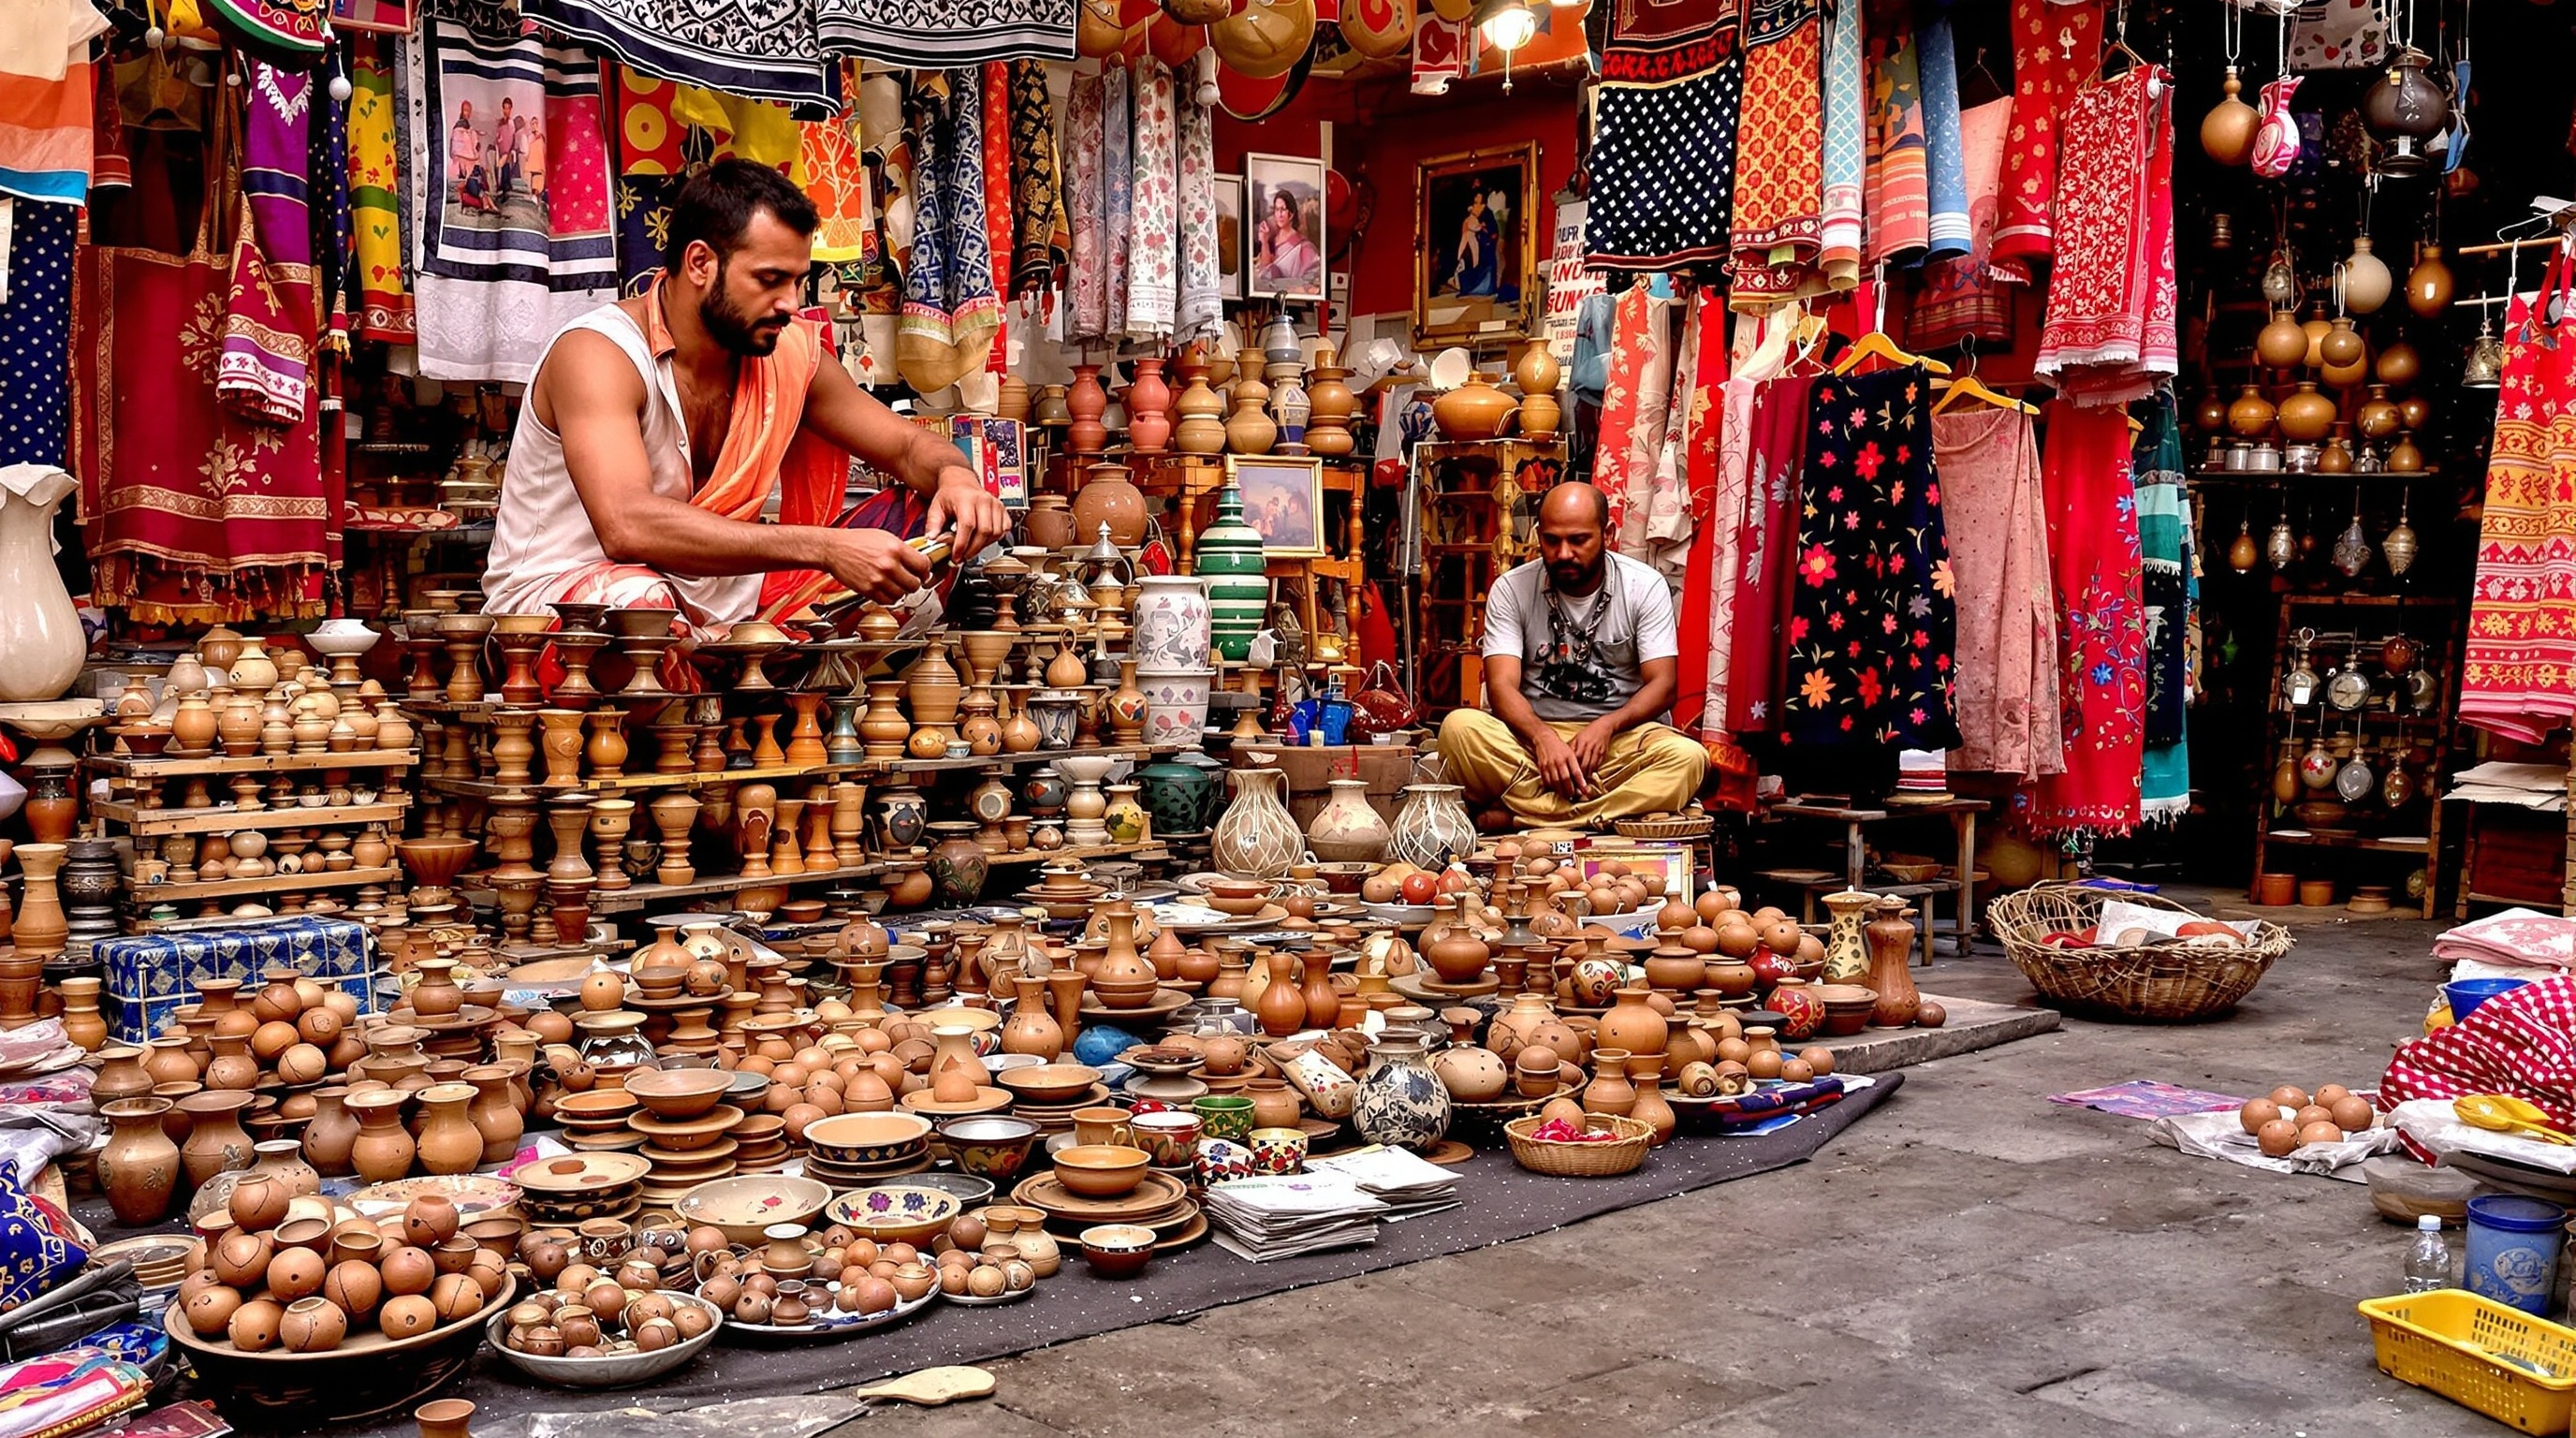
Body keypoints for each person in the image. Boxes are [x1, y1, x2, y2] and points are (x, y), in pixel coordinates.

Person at [481, 159, 1010, 653]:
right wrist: (826, 547)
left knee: (925, 524)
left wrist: (957, 478)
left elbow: (908, 445)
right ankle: (758, 682)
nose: (791, 304)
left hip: (732, 607)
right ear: (700, 263)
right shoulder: (599, 354)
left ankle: (766, 679)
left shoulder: (785, 351)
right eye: (769, 279)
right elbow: (626, 526)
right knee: (640, 606)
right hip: (569, 609)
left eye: (798, 281)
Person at [1436, 481, 1706, 828]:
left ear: (1607, 534)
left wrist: (1607, 726)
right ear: (1538, 535)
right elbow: (1501, 686)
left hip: (1619, 741)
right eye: (1552, 540)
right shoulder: (1511, 588)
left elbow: (1664, 685)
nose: (1564, 553)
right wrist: (1542, 737)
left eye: (1578, 540)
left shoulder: (1644, 586)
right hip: (1533, 740)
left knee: (1688, 758)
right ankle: (1597, 811)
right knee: (1458, 730)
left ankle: (1524, 815)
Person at [1253, 189, 1318, 293]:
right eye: (1277, 209)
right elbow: (1265, 272)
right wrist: (1264, 241)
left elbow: (1310, 281)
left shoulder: (1304, 247)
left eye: (1283, 209)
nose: (1279, 214)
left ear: (1291, 214)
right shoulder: (1272, 240)